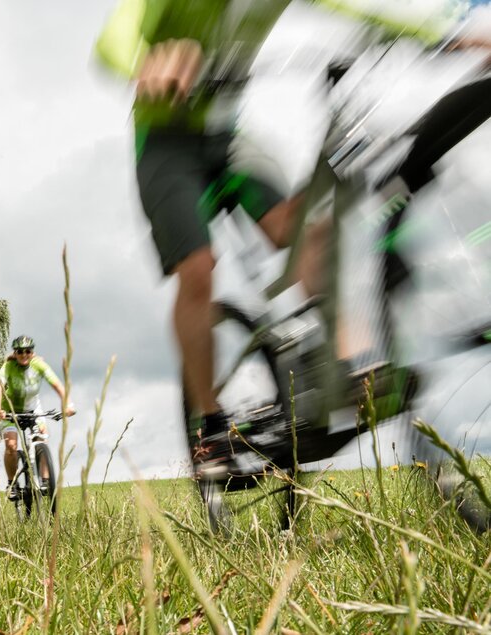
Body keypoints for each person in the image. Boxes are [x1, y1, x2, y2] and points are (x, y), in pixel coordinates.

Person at [94, 0, 478, 478]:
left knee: (306, 229)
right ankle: (209, 430)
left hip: (226, 139)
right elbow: (115, 37)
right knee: (197, 269)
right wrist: (144, 63)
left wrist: (449, 36)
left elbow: (354, 7)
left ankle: (352, 369)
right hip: (165, 144)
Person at [0, 335, 74, 500]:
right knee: (11, 446)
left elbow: (57, 385)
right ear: (15, 353)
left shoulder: (39, 365)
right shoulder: (8, 366)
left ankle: (45, 480)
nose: (24, 354)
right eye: (20, 351)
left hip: (33, 409)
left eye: (27, 351)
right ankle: (12, 484)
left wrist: (68, 404)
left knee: (41, 438)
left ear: (32, 352)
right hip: (10, 411)